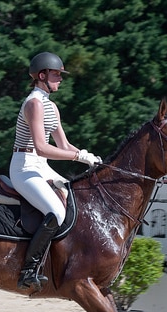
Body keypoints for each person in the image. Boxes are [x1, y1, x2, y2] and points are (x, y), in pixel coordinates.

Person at [10, 52, 101, 291]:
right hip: (24, 166)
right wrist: (77, 156)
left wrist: (87, 157)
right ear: (42, 76)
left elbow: (63, 145)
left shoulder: (51, 106)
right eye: (56, 74)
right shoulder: (33, 103)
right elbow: (41, 147)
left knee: (76, 200)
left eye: (60, 75)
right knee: (56, 212)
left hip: (40, 166)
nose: (60, 79)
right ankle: (29, 270)